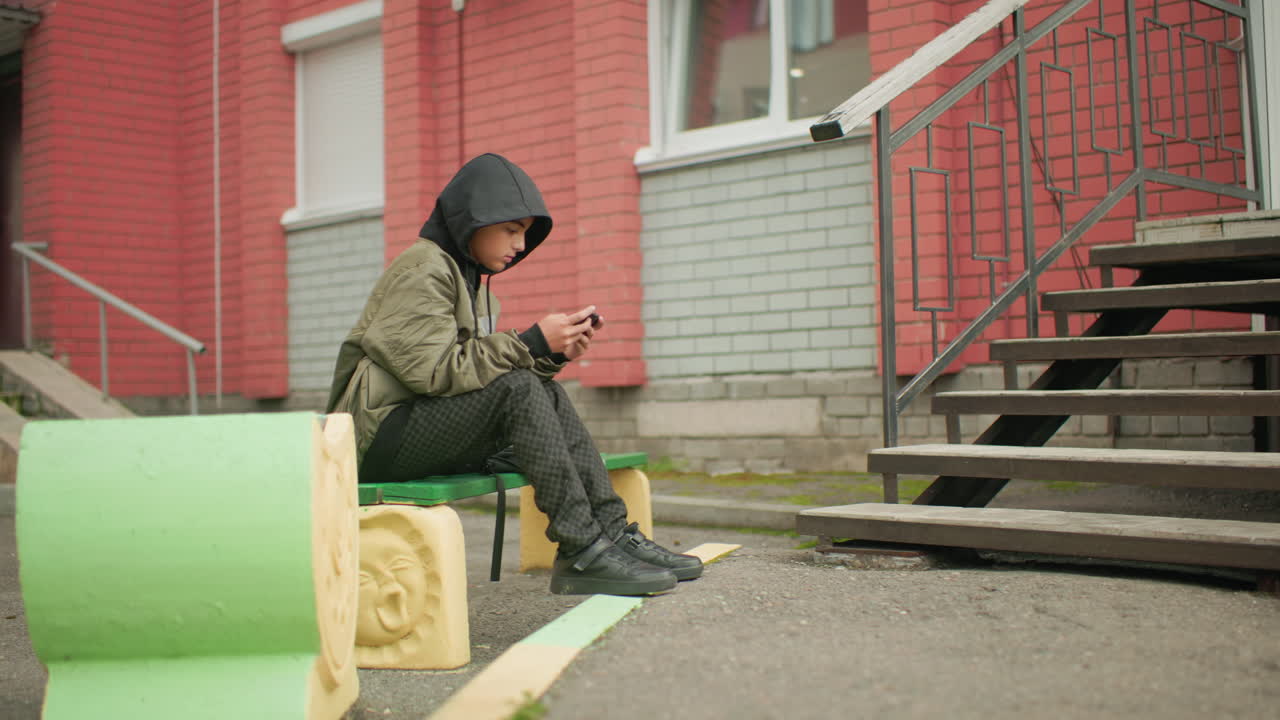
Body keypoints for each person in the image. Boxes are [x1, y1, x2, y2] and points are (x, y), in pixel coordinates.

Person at [326, 153, 702, 596]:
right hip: (374, 438)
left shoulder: (469, 282)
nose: (520, 245)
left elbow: (475, 375)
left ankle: (612, 533)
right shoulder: (422, 269)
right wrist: (530, 344)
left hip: (416, 425)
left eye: (523, 233)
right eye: (510, 230)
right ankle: (583, 550)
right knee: (521, 387)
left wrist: (552, 355)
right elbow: (433, 373)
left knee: (541, 388)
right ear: (472, 221)